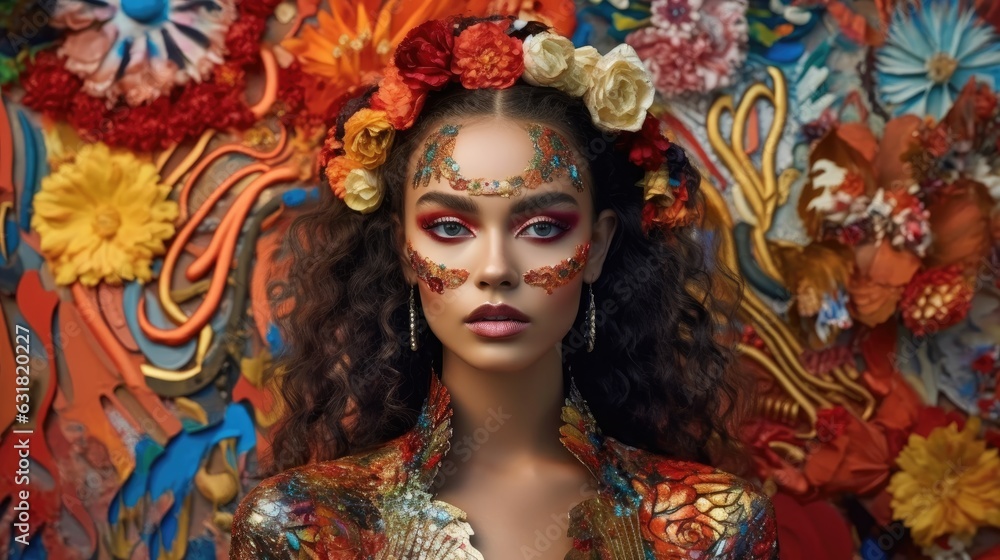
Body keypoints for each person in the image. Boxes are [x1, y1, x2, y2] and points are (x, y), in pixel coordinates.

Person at [230, 14, 779, 560]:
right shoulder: (305, 528)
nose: (496, 268)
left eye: (542, 228)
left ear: (600, 247)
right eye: (450, 228)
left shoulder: (710, 529)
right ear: (403, 250)